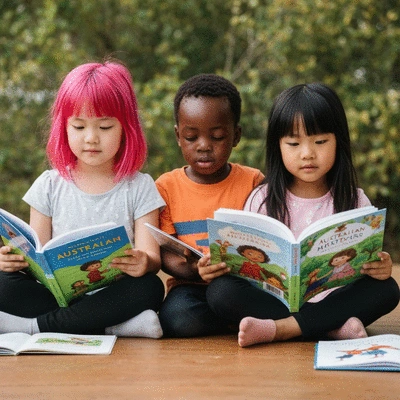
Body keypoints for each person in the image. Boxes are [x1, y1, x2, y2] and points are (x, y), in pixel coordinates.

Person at [199, 83, 400, 347]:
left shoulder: (355, 200)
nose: (307, 154)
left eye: (320, 141)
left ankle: (281, 329)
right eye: (293, 143)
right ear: (278, 146)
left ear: (339, 140)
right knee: (220, 292)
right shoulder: (262, 199)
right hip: (274, 298)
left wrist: (379, 267)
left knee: (386, 289)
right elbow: (243, 270)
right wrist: (216, 266)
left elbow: (365, 264)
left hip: (333, 297)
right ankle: (329, 327)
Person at [0, 60, 166, 337]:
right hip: (59, 296)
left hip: (113, 292)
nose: (91, 138)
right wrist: (12, 261)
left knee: (150, 287)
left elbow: (153, 257)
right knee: (3, 283)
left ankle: (32, 327)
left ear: (126, 128)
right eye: (78, 127)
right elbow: (36, 258)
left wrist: (144, 262)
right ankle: (115, 327)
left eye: (104, 128)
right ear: (63, 128)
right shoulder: (49, 185)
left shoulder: (139, 186)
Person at [156, 73, 264, 337]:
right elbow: (166, 253)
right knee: (177, 318)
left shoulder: (253, 181)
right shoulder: (165, 187)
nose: (204, 146)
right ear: (178, 136)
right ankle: (236, 323)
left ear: (236, 135)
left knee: (225, 293)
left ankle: (238, 318)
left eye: (217, 137)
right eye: (192, 137)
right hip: (190, 286)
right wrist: (194, 269)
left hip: (241, 285)